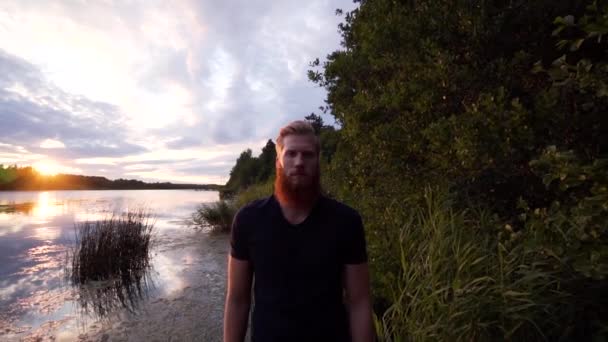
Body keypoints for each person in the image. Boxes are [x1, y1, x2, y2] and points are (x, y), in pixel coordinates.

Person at [223, 120, 374, 342]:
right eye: (291, 154)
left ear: (318, 161)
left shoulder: (346, 221)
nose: (299, 162)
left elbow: (359, 301)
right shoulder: (248, 220)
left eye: (308, 155)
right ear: (278, 162)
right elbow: (237, 299)